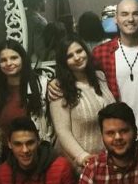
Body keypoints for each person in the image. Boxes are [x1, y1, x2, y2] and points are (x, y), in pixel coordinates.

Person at [53, 0, 138, 132]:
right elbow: (81, 76)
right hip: (115, 134)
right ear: (116, 19)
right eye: (124, 14)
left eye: (136, 14)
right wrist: (56, 82)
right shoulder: (101, 53)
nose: (130, 19)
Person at [49, 35, 115, 176]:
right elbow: (62, 131)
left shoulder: (100, 77)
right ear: (64, 62)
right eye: (70, 56)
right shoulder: (59, 88)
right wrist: (82, 156)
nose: (77, 57)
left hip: (104, 160)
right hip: (77, 164)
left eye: (79, 51)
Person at [0, 39, 53, 144]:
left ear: (23, 59)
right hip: (5, 151)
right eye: (3, 60)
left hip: (35, 150)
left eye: (14, 58)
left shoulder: (42, 85)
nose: (9, 63)